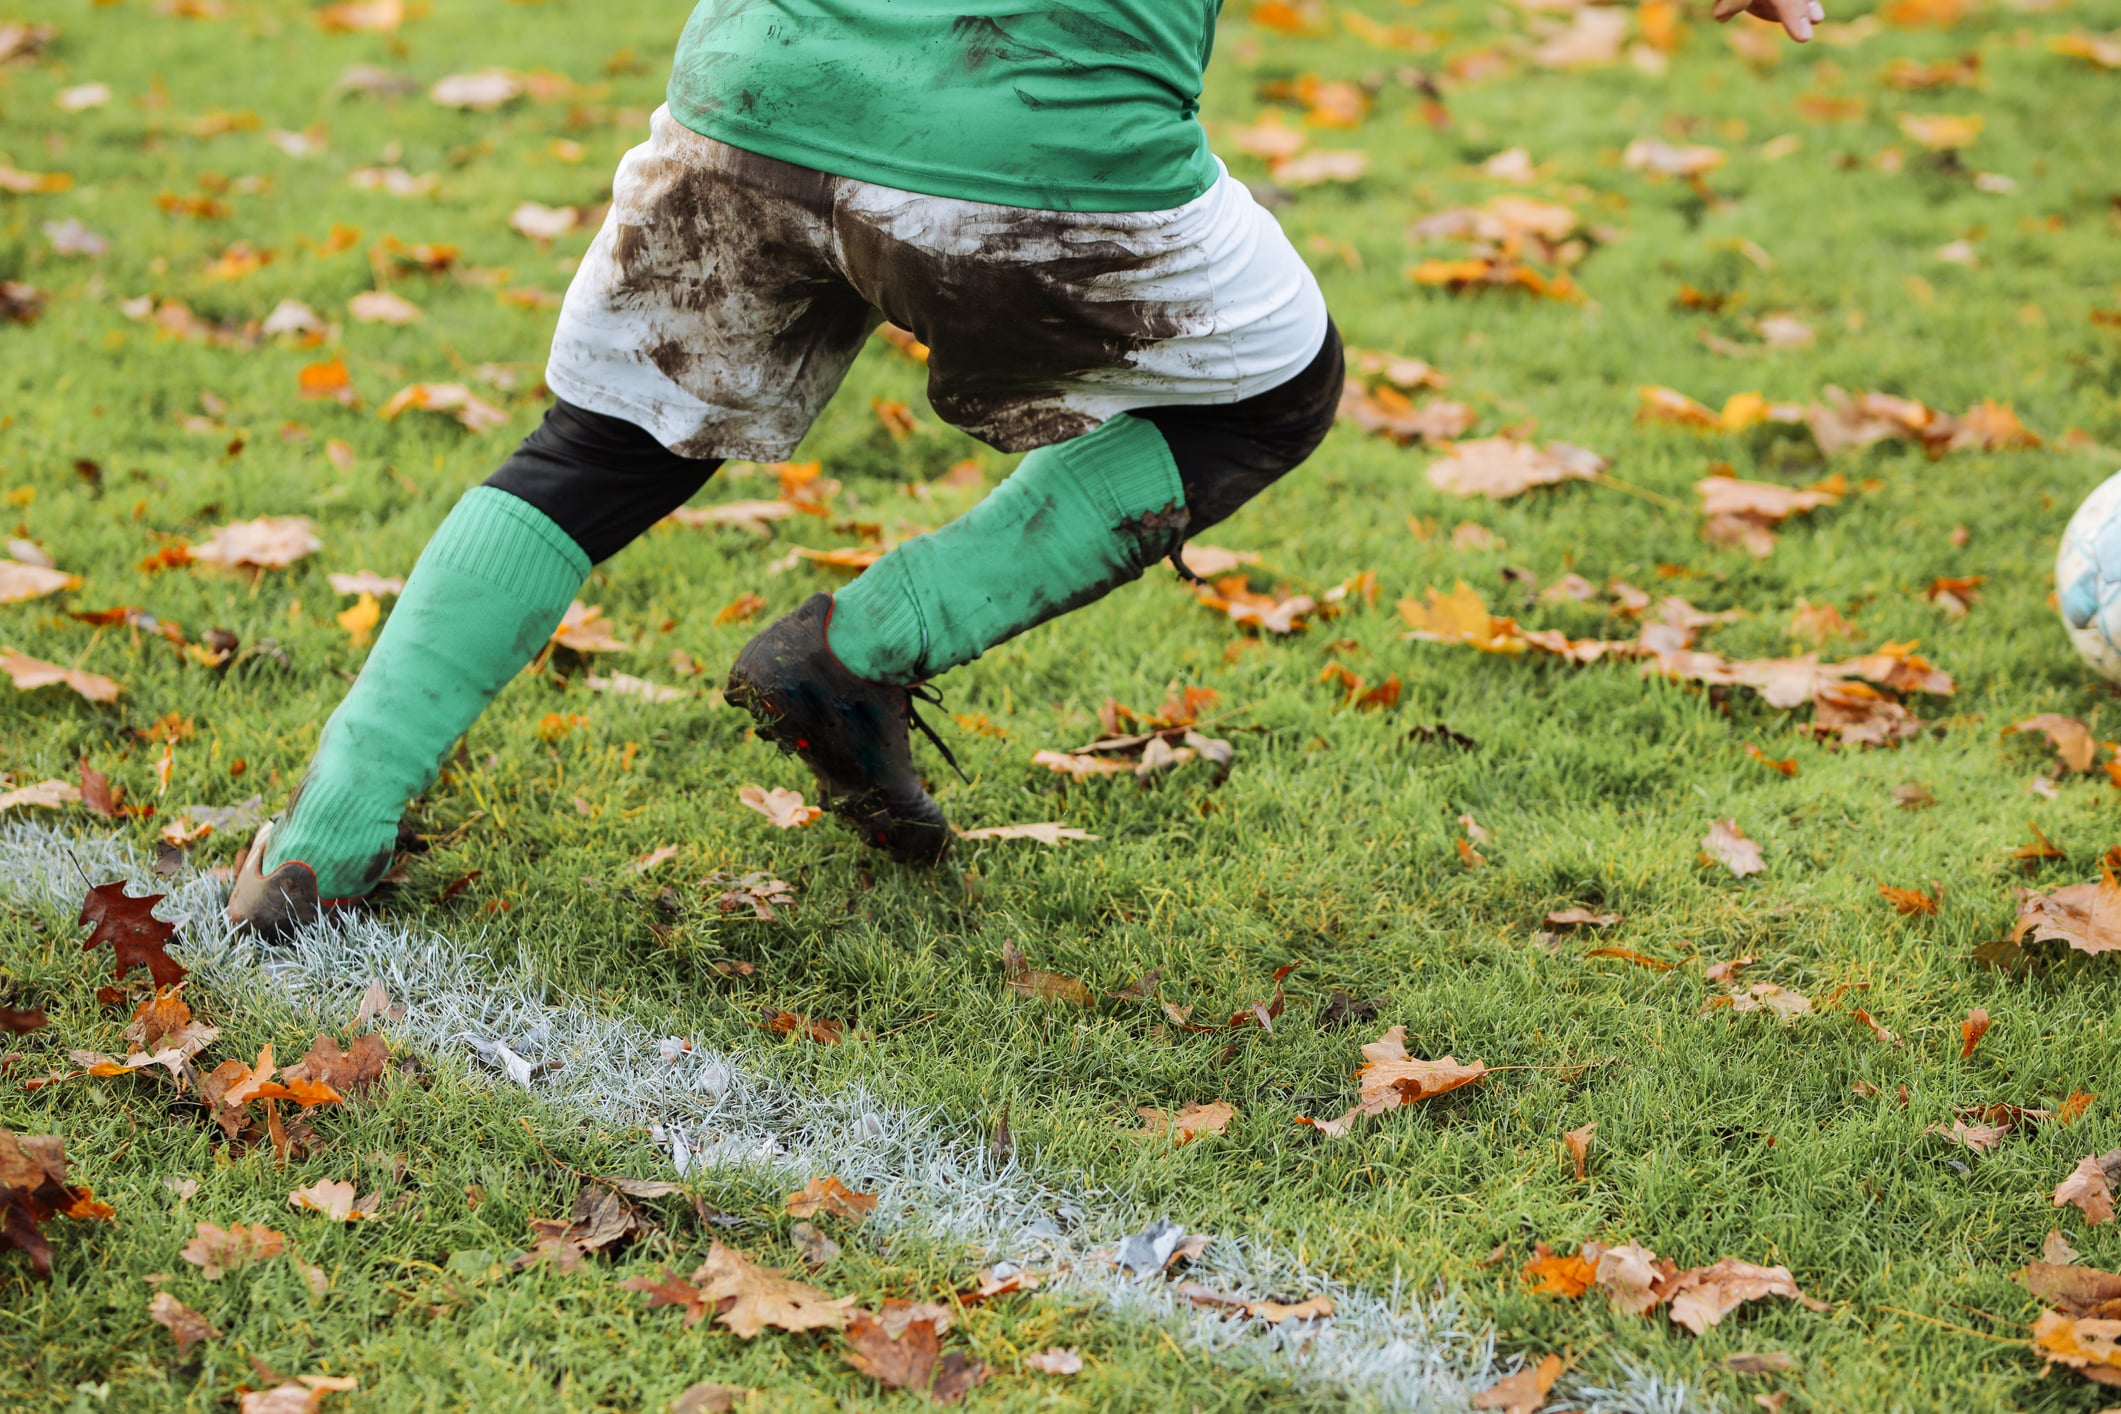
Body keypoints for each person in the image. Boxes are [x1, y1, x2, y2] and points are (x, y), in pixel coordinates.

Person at [228, 0, 1827, 934]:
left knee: (598, 448)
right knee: (1274, 390)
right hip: (1037, 160)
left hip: (755, 92)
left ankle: (325, 833)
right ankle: (859, 650)